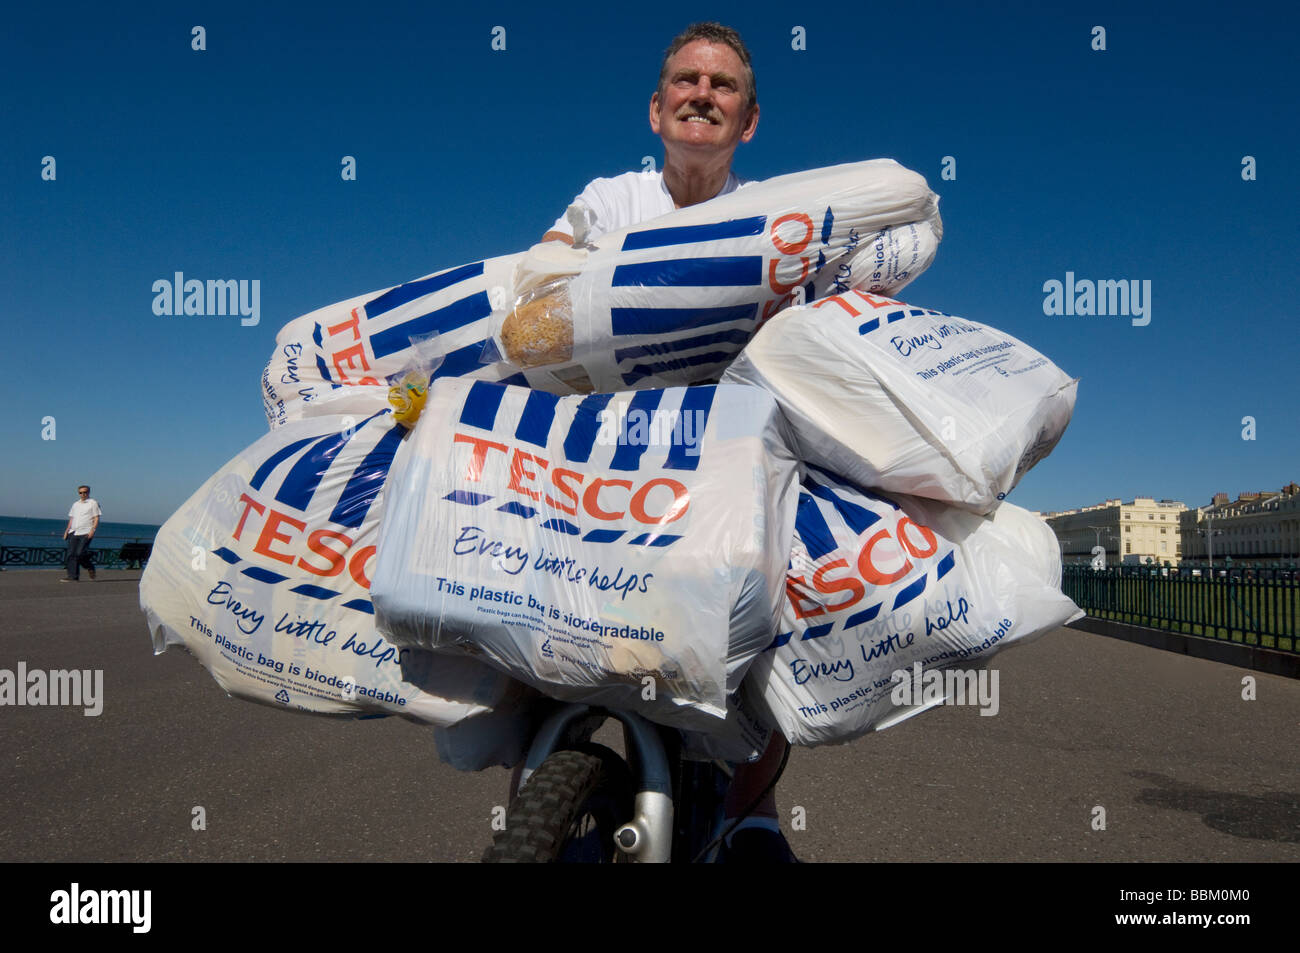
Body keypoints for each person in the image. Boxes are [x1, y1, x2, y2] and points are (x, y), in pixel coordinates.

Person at [539, 22, 796, 863]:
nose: (702, 95)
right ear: (656, 108)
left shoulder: (768, 219)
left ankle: (751, 814)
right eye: (686, 81)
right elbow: (539, 278)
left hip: (719, 473)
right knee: (537, 657)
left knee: (773, 629)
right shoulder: (614, 201)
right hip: (602, 467)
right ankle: (533, 812)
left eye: (723, 88)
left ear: (748, 121)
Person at [62, 485, 100, 582]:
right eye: (81, 492)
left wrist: (93, 530)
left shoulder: (93, 503)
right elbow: (72, 518)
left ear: (89, 492)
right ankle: (73, 576)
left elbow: (96, 517)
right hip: (74, 531)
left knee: (79, 553)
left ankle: (89, 566)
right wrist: (67, 530)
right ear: (78, 493)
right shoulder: (75, 504)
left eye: (85, 492)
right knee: (71, 554)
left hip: (86, 532)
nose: (83, 494)